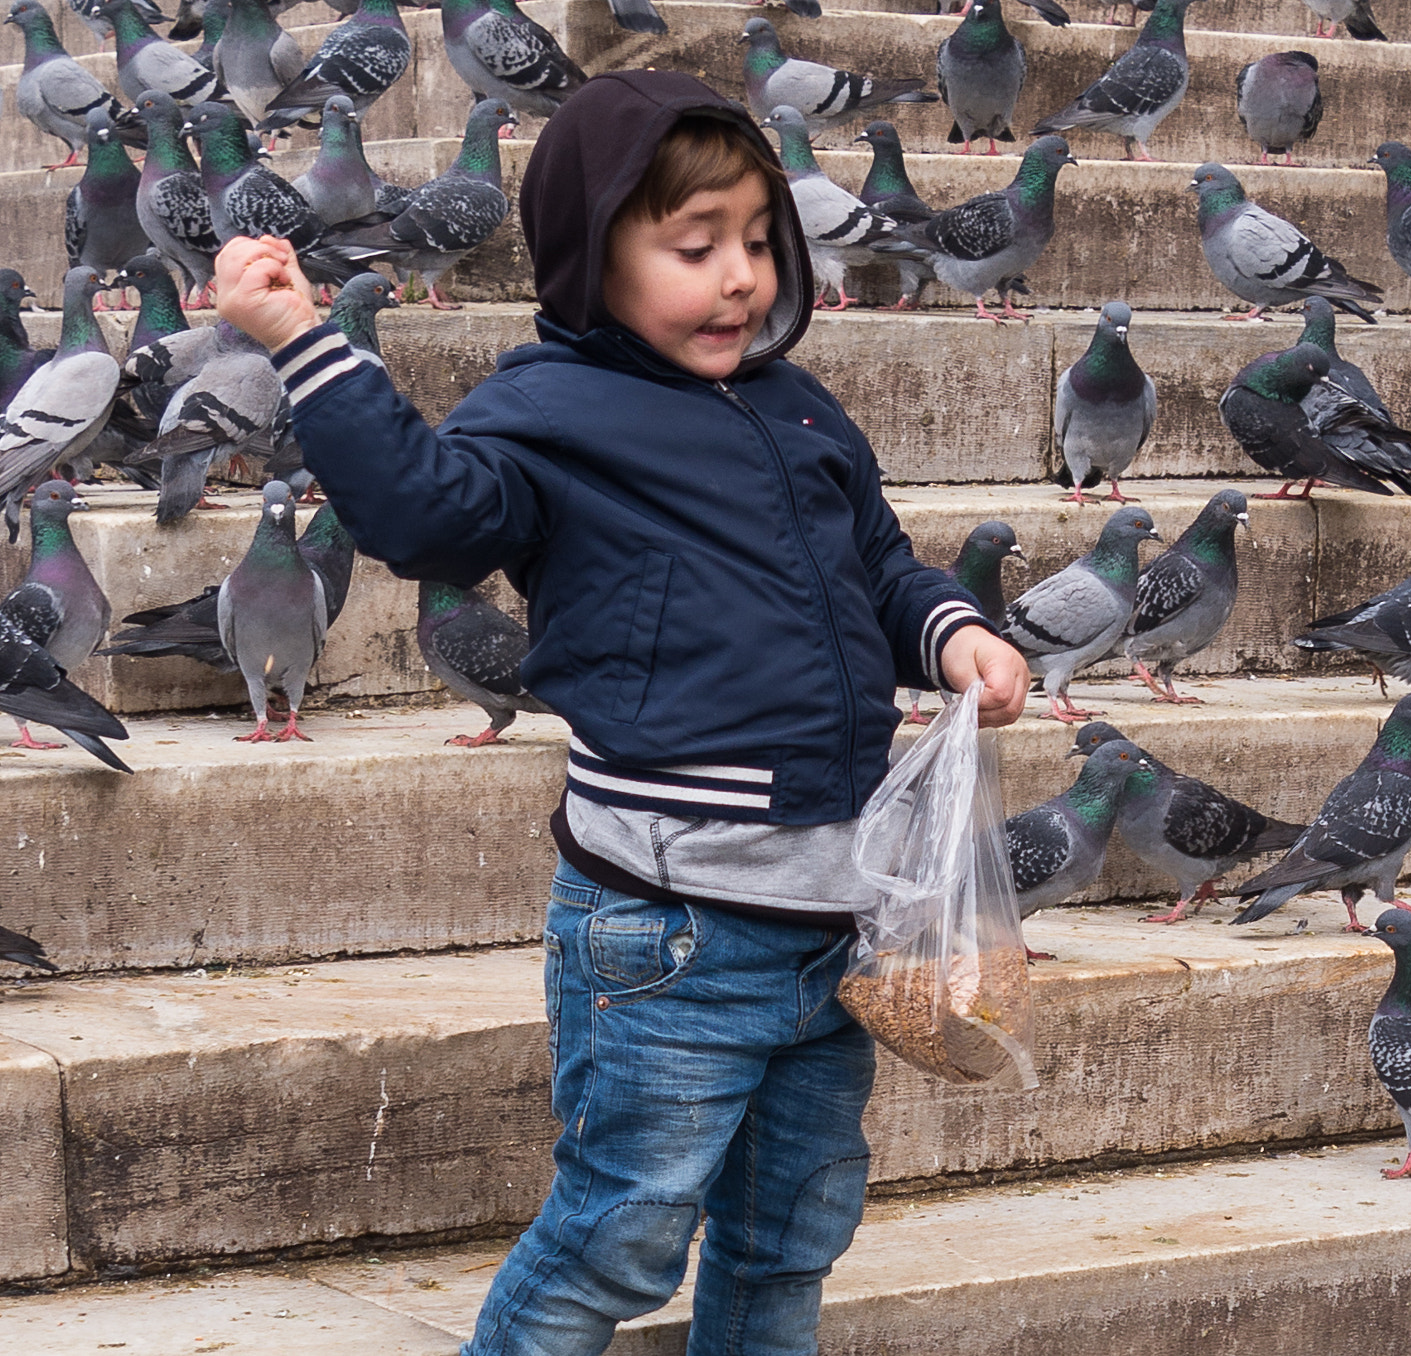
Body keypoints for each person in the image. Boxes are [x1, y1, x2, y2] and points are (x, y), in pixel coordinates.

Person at [214, 70, 1031, 1356]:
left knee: (792, 1238)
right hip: (668, 934)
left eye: (759, 242)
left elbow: (877, 564)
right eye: (694, 247)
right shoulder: (549, 415)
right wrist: (306, 344)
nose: (741, 277)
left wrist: (954, 631)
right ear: (594, 259)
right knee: (618, 1240)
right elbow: (424, 515)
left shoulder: (802, 410)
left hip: (833, 936)